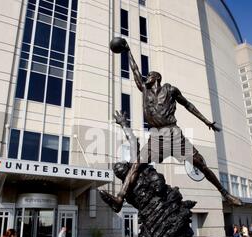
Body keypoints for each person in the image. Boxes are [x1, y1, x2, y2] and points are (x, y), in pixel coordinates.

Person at [100, 38, 242, 212]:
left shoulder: (170, 90)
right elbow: (136, 71)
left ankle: (225, 193)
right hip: (156, 135)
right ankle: (119, 200)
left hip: (173, 134)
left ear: (157, 77)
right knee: (137, 163)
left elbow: (188, 105)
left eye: (150, 74)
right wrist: (128, 50)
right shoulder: (145, 90)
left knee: (201, 165)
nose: (147, 76)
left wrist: (206, 121)